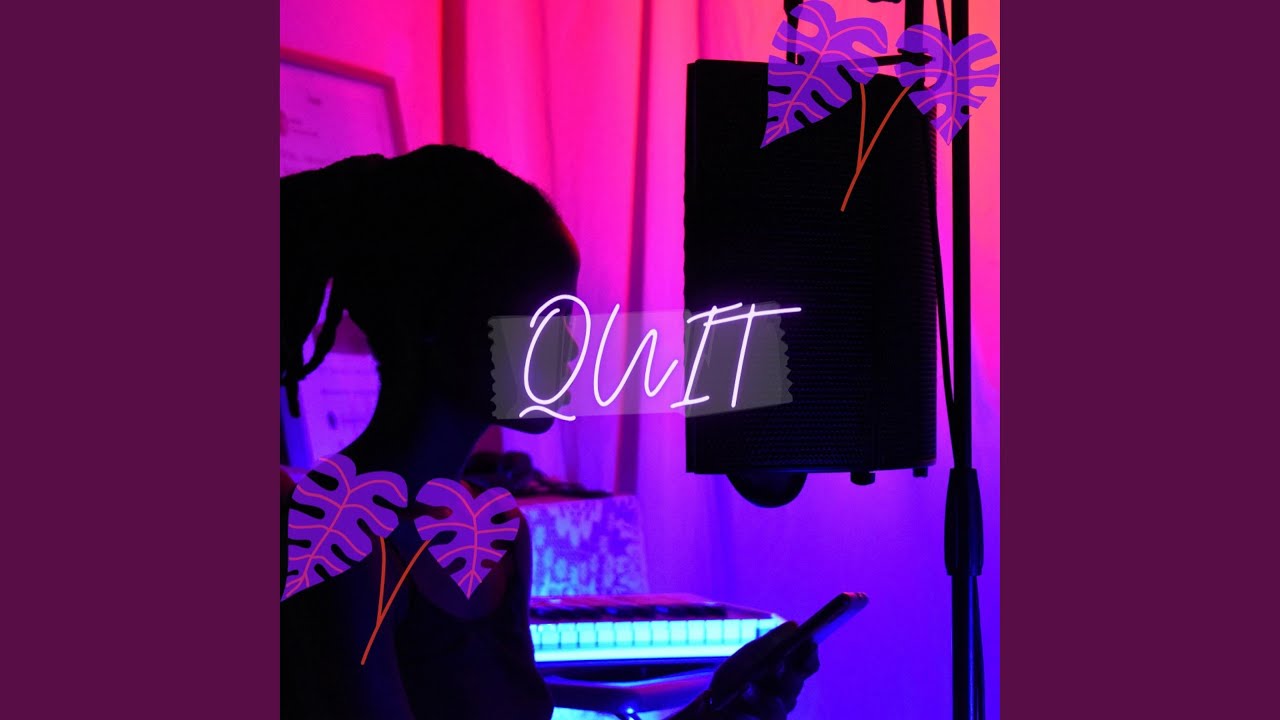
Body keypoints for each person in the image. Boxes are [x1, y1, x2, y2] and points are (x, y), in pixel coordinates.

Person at [280, 145, 818, 719]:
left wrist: (720, 708)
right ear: (435, 319)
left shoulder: (499, 530)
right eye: (546, 317)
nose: (572, 348)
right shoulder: (340, 540)